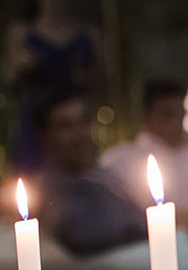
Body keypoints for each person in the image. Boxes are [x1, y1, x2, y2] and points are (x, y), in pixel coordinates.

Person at [32, 88, 146, 257]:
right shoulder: (54, 187)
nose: (79, 134)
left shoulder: (102, 175)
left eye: (83, 122)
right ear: (45, 137)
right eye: (66, 127)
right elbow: (79, 231)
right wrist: (147, 225)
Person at [5, 0, 101, 171]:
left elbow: (102, 81)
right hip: (38, 119)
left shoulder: (89, 33)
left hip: (75, 116)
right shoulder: (21, 32)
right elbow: (10, 83)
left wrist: (85, 76)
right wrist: (22, 66)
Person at [100, 80, 188, 213]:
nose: (175, 122)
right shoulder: (120, 159)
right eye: (167, 114)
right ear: (145, 115)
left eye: (180, 114)